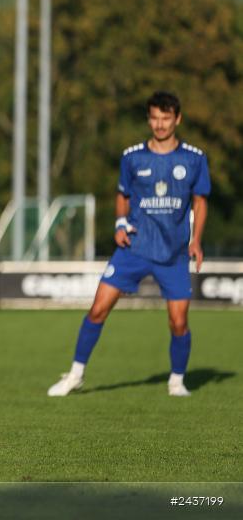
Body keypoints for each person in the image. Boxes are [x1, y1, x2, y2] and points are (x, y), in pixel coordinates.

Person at [47, 91, 210, 398]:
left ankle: (177, 381)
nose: (159, 125)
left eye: (165, 118)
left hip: (172, 253)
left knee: (178, 322)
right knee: (98, 309)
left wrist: (196, 240)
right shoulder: (132, 156)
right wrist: (120, 223)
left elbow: (200, 202)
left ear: (177, 119)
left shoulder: (194, 159)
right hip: (133, 248)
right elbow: (122, 195)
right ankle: (75, 375)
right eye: (154, 118)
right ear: (148, 119)